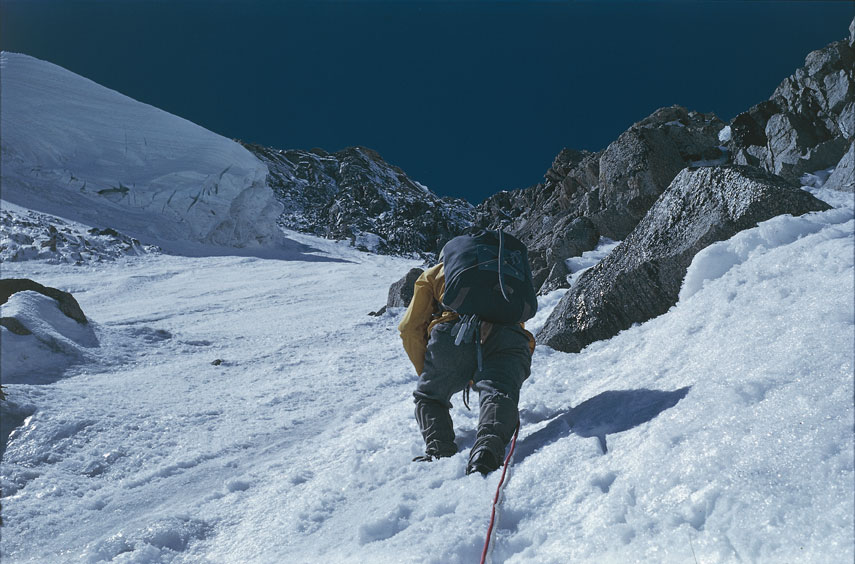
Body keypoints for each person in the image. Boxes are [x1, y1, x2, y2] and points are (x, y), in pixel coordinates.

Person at [399, 262, 535, 475]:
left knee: (430, 397)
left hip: (454, 334)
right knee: (497, 391)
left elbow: (409, 328)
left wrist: (428, 371)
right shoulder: (506, 265)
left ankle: (439, 449)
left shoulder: (436, 273)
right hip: (508, 335)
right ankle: (487, 448)